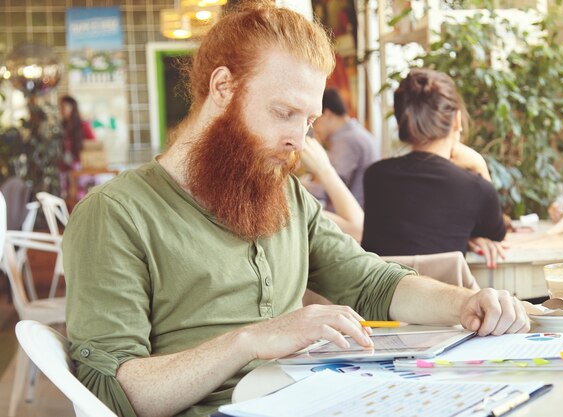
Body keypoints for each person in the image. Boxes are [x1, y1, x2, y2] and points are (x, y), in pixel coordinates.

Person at [63, 4, 529, 417]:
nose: (298, 141)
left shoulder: (284, 194)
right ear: (223, 86)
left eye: (307, 122)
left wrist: (465, 304)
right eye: (283, 112)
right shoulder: (116, 214)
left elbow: (370, 281)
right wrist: (249, 340)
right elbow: (108, 394)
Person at [361, 69, 506, 269]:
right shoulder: (475, 188)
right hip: (448, 299)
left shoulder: (374, 177)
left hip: (382, 299)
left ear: (402, 122)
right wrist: (479, 164)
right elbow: (496, 234)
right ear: (456, 119)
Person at [308, 88, 379, 207]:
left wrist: (296, 185)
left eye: (314, 121)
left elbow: (325, 190)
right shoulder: (358, 133)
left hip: (352, 218)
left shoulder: (347, 141)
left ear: (327, 114)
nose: (314, 129)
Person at [300, 135, 364, 242]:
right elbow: (357, 230)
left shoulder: (346, 141)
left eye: (309, 121)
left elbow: (357, 230)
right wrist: (323, 169)